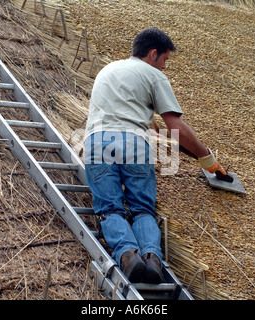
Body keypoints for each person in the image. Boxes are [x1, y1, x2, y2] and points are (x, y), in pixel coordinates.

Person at [83, 27, 228, 284]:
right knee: (142, 210)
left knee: (110, 209)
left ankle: (128, 255)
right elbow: (176, 127)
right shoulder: (152, 75)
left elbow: (122, 109)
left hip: (97, 141)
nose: (164, 67)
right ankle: (151, 259)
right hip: (134, 145)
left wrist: (150, 126)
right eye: (164, 60)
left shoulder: (108, 70)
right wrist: (207, 159)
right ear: (153, 54)